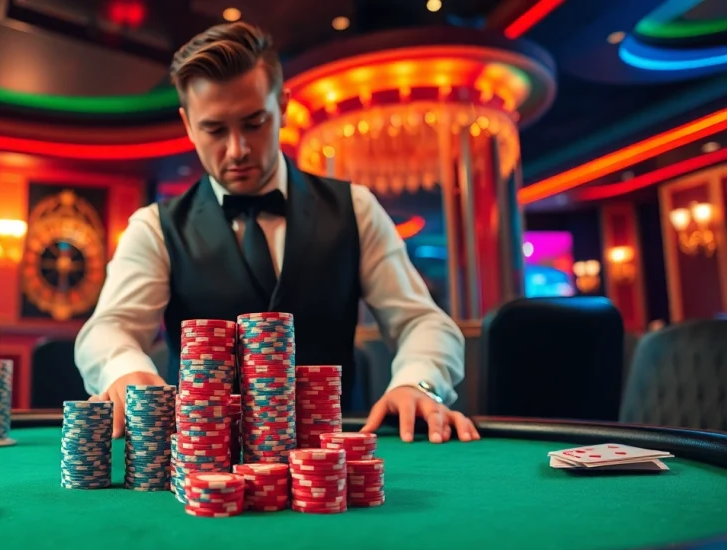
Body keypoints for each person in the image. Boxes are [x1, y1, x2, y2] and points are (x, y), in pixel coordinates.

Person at [74, 21, 479, 445]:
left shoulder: (355, 208)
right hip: (206, 462)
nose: (237, 150)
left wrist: (418, 382)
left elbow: (421, 320)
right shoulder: (154, 227)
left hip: (331, 456)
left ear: (283, 106)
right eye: (214, 129)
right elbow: (107, 329)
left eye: (254, 123)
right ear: (188, 126)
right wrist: (124, 369)